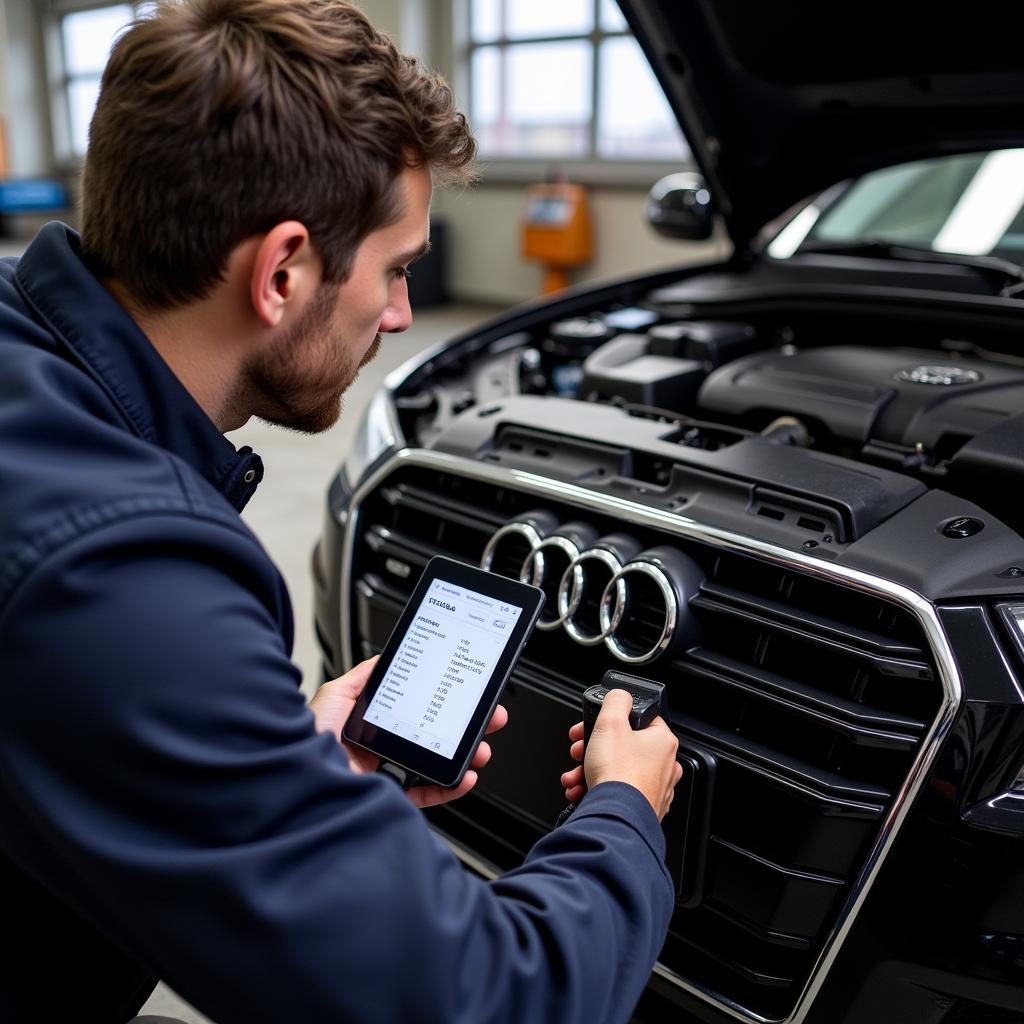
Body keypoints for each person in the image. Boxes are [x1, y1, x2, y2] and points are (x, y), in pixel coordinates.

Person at [0, 2, 682, 1022]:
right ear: (281, 271)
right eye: (398, 267)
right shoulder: (123, 572)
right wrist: (627, 812)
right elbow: (489, 999)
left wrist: (275, 753)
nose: (404, 314)